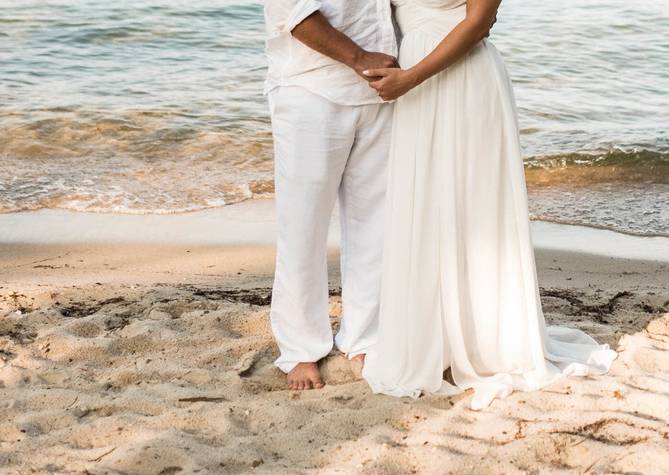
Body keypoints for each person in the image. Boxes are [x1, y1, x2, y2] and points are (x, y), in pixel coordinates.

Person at [361, 0, 617, 409]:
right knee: (427, 206)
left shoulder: (421, 73)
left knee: (474, 204)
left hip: (460, 76)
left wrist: (408, 78)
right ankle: (434, 338)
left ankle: (487, 341)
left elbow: (479, 22)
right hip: (414, 80)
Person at [263, 0, 399, 390]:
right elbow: (294, 13)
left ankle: (364, 337)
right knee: (303, 226)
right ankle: (301, 349)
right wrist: (358, 57)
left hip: (380, 90)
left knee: (375, 223)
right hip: (310, 87)